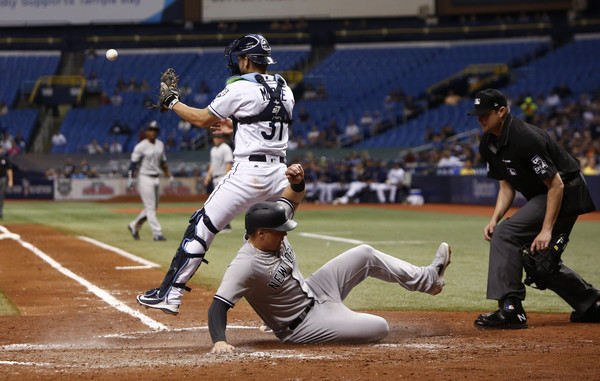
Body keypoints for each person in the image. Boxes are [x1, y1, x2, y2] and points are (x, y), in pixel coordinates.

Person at [208, 164, 451, 353]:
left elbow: (293, 197)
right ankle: (337, 318)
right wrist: (219, 341)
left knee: (364, 253)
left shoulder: (270, 226)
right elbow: (218, 305)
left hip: (314, 289)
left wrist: (298, 181)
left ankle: (429, 280)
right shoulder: (245, 265)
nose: (285, 233)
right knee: (380, 327)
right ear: (260, 233)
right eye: (280, 230)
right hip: (303, 325)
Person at [136, 34, 295, 314]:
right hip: (279, 175)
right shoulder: (284, 88)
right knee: (274, 239)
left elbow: (199, 119)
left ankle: (169, 295)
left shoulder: (239, 88)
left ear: (246, 60)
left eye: (239, 59)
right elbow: (268, 125)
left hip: (249, 173)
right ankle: (290, 305)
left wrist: (172, 102)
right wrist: (237, 129)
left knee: (202, 228)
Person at [467, 88, 599, 329]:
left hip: (566, 190)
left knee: (507, 235)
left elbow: (556, 184)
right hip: (546, 193)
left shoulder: (525, 137)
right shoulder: (488, 142)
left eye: (485, 113)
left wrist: (546, 230)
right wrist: (494, 218)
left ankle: (511, 309)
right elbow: (506, 186)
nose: (480, 119)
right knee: (539, 263)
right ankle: (592, 304)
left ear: (502, 111)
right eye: (478, 114)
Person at [127, 121, 174, 242]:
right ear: (146, 132)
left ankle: (134, 225)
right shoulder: (141, 146)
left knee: (153, 207)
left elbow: (163, 163)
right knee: (150, 207)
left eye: (155, 130)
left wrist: (170, 176)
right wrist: (130, 177)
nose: (153, 132)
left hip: (156, 177)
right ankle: (157, 233)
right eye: (150, 130)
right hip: (144, 177)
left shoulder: (160, 144)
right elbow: (133, 164)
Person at [203, 132, 234, 232]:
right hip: (214, 177)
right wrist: (208, 175)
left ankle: (226, 225)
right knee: (217, 202)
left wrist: (226, 178)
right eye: (215, 137)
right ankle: (221, 224)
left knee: (223, 202)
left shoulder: (225, 148)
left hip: (222, 176)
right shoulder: (213, 149)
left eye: (218, 137)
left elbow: (228, 163)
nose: (216, 139)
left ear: (223, 138)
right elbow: (212, 164)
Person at [0, 146, 13, 219]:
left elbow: (9, 170)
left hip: (2, 178)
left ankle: (0, 213)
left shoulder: (4, 159)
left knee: (1, 196)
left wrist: (10, 180)